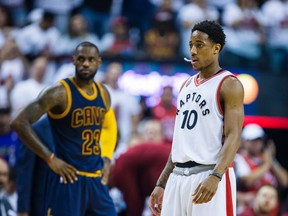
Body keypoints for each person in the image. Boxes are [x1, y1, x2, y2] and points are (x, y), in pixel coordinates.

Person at [149, 20, 244, 216]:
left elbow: (234, 136)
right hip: (177, 177)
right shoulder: (185, 86)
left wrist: (216, 176)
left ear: (216, 48)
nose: (193, 51)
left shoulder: (229, 84)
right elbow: (179, 142)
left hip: (208, 174)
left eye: (199, 45)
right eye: (191, 45)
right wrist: (161, 183)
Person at [10, 41, 118, 216]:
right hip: (68, 179)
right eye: (81, 59)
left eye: (91, 60)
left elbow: (108, 128)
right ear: (73, 60)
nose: (85, 64)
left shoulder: (104, 93)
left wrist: (106, 158)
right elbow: (19, 122)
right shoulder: (59, 92)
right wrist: (50, 158)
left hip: (95, 180)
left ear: (99, 62)